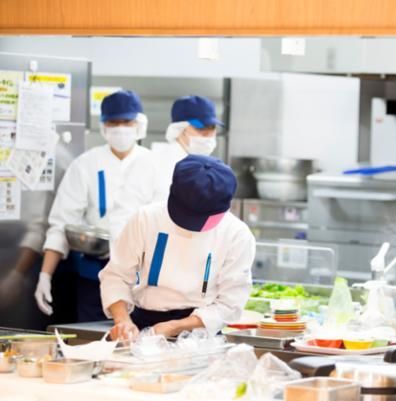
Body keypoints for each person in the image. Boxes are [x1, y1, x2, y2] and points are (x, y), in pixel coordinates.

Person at [100, 155, 256, 340]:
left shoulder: (237, 234)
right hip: (142, 325)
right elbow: (116, 275)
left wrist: (175, 326)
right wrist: (123, 321)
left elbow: (230, 303)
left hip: (200, 333)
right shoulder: (146, 218)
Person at [34, 90, 157, 322]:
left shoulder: (154, 165)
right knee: (92, 337)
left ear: (139, 124)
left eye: (127, 122)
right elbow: (61, 224)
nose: (120, 129)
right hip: (95, 277)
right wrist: (45, 276)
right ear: (103, 127)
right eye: (113, 123)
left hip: (143, 280)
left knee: (139, 340)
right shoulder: (86, 164)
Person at [152, 95, 222, 202]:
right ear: (180, 129)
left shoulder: (213, 167)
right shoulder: (157, 164)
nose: (208, 134)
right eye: (201, 128)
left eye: (212, 127)